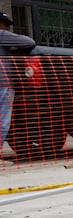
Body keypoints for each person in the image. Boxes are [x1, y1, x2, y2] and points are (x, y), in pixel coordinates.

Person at [0, 11, 36, 164]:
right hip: (2, 85)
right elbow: (29, 42)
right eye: (6, 24)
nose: (8, 28)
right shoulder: (1, 35)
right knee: (2, 122)